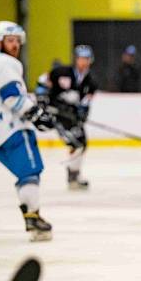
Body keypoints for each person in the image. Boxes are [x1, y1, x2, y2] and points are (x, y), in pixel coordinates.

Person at [0, 21, 56, 241]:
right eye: (10, 40)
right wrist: (35, 113)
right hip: (11, 128)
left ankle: (32, 216)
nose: (15, 45)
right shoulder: (6, 62)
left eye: (18, 41)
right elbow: (11, 96)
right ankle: (33, 218)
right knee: (31, 171)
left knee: (24, 174)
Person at [48, 45, 98, 190]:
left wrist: (83, 114)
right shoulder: (61, 72)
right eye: (81, 58)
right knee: (76, 143)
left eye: (87, 59)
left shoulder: (91, 81)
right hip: (57, 116)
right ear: (76, 59)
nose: (84, 62)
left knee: (82, 144)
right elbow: (42, 84)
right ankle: (72, 176)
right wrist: (47, 102)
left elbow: (86, 102)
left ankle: (74, 174)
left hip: (72, 118)